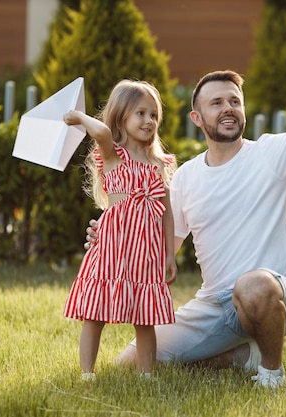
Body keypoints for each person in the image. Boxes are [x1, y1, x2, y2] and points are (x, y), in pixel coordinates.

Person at [85, 52, 286, 388]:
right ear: (197, 118)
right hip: (214, 305)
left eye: (234, 101)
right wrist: (114, 235)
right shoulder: (184, 178)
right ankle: (243, 356)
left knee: (253, 285)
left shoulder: (270, 154)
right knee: (131, 364)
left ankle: (271, 372)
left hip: (275, 292)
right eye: (216, 103)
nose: (227, 108)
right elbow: (160, 244)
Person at [64, 80, 178, 381]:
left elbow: (166, 214)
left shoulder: (159, 164)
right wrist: (78, 117)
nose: (149, 121)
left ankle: (146, 375)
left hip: (146, 251)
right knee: (94, 314)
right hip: (113, 246)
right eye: (140, 113)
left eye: (154, 115)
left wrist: (170, 256)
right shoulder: (113, 155)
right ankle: (86, 374)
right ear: (121, 118)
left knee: (145, 318)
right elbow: (100, 131)